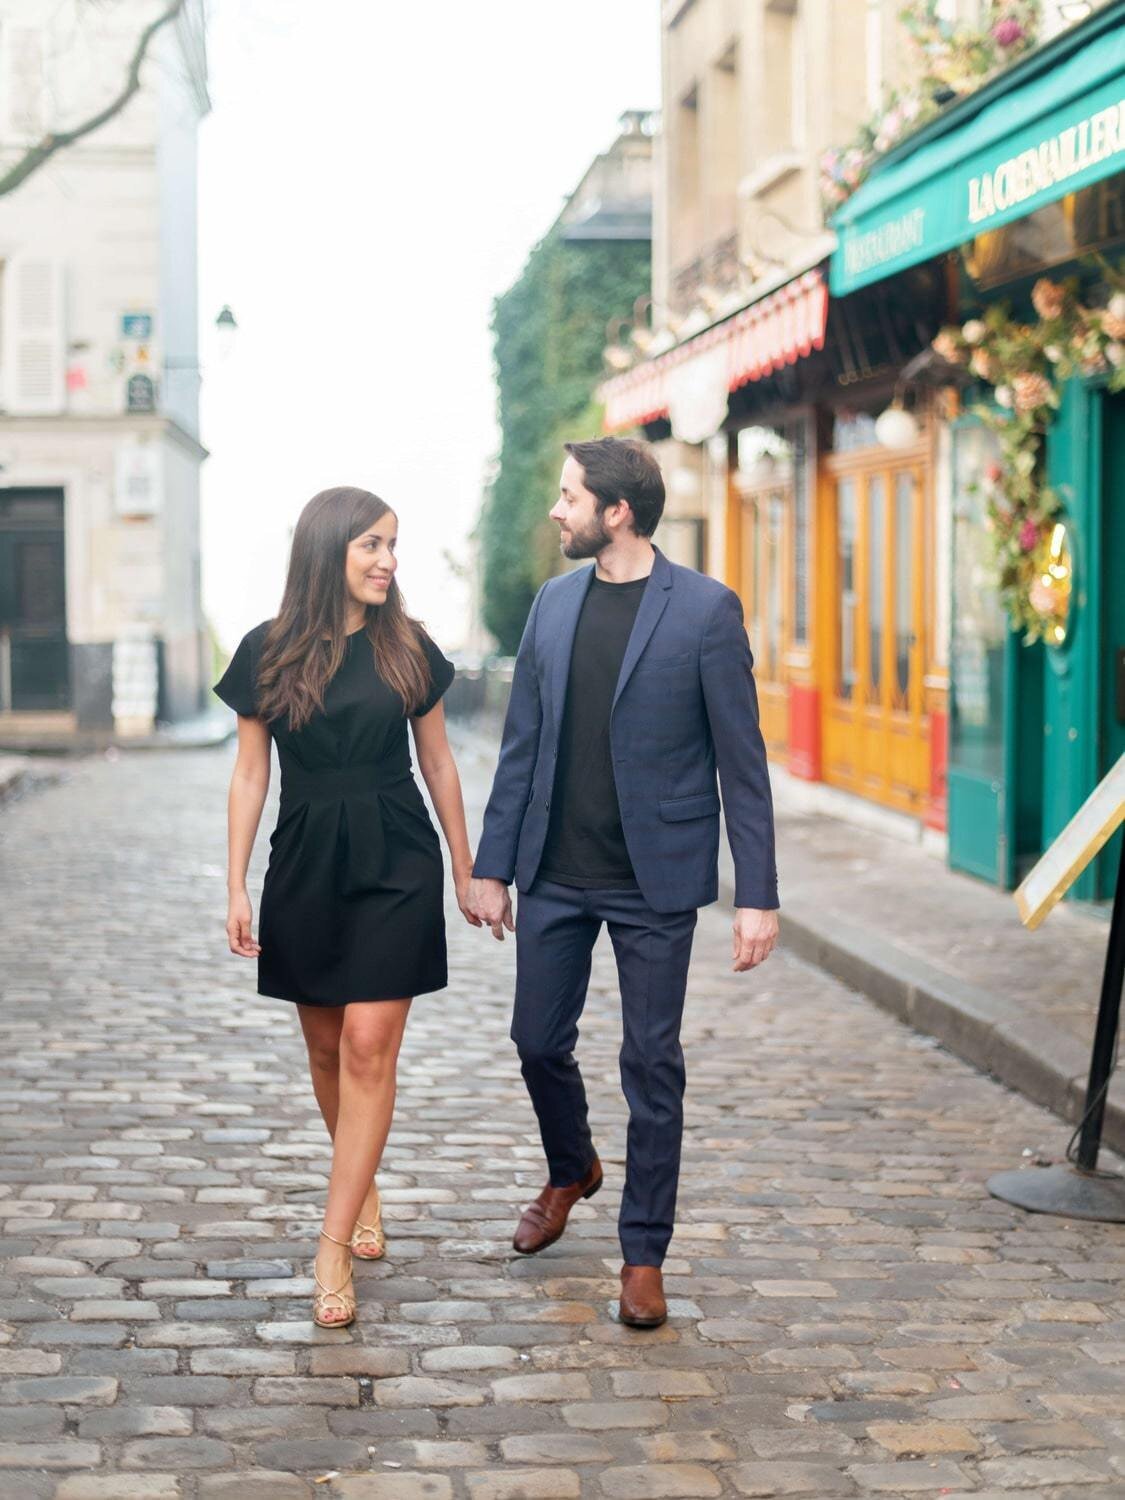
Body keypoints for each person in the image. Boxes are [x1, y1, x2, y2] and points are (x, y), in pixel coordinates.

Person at [469, 437, 779, 1329]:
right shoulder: (551, 605)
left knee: (651, 1064)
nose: (555, 511)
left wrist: (754, 892)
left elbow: (741, 764)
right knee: (535, 1042)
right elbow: (521, 745)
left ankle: (643, 1253)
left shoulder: (706, 612)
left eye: (569, 497)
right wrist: (495, 867)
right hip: (556, 876)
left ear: (617, 512)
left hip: (656, 881)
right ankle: (572, 1168)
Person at [214, 486, 479, 1329]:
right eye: (371, 544)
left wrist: (467, 869)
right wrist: (235, 881)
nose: (387, 561)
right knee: (327, 1048)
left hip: (397, 852)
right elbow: (251, 771)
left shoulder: (409, 648)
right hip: (306, 856)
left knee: (369, 1042)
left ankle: (330, 1247)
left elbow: (438, 764)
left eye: (392, 545)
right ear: (329, 550)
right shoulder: (266, 651)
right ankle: (356, 1185)